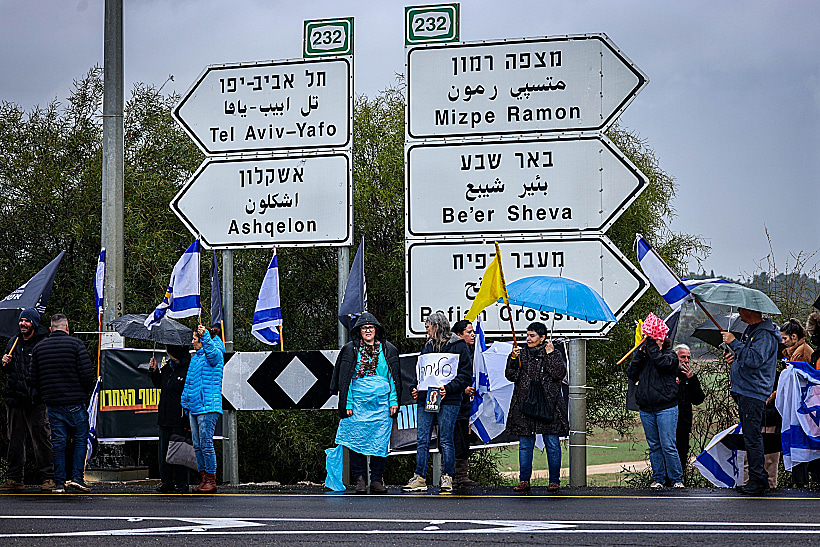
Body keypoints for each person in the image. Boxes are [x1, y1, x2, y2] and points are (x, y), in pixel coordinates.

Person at [330, 312, 401, 494]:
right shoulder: (350, 350)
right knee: (356, 440)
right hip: (357, 404)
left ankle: (376, 479)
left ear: (376, 330)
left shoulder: (389, 349)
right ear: (359, 331)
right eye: (364, 328)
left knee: (380, 441)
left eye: (371, 327)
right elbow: (346, 380)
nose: (368, 331)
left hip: (381, 405)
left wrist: (394, 401)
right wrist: (347, 403)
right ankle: (360, 479)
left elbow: (393, 378)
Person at [402, 312, 472, 493]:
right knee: (422, 438)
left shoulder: (458, 346)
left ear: (437, 326)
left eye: (428, 326)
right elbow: (421, 372)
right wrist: (415, 387)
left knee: (446, 439)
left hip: (449, 400)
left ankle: (447, 476)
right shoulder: (428, 346)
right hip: (427, 398)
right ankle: (419, 477)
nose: (426, 330)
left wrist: (448, 389)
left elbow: (465, 375)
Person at [28, 313, 95, 494]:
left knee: (58, 442)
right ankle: (77, 478)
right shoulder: (77, 345)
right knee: (80, 439)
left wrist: (44, 394)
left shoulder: (39, 348)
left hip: (52, 402)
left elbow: (33, 378)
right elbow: (87, 374)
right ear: (67, 327)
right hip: (75, 401)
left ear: (51, 329)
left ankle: (59, 483)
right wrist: (83, 393)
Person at [722, 306, 780, 495]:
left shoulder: (764, 335)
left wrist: (734, 343)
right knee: (750, 435)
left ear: (750, 311)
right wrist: (736, 358)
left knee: (752, 436)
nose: (739, 313)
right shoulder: (753, 331)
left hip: (753, 392)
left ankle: (757, 479)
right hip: (746, 390)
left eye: (741, 309)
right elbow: (750, 359)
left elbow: (755, 360)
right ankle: (758, 477)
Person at [505, 322, 569, 493]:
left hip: (549, 405)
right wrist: (513, 359)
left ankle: (554, 481)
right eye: (527, 335)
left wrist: (550, 354)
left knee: (552, 444)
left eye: (532, 336)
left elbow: (559, 374)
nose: (528, 339)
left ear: (542, 338)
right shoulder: (521, 354)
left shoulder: (553, 352)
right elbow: (511, 375)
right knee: (525, 445)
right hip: (525, 405)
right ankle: (524, 480)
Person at [0, 308, 55, 492]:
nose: (23, 324)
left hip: (35, 400)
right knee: (14, 440)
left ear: (34, 323)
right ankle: (15, 478)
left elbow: (48, 370)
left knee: (41, 439)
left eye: (27, 321)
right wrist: (5, 363)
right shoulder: (13, 341)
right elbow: (8, 370)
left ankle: (48, 477)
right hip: (15, 399)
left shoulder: (42, 342)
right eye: (21, 320)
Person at [627, 314, 683, 489]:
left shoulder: (670, 356)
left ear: (662, 340)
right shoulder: (644, 358)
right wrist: (639, 354)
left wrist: (651, 346)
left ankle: (676, 479)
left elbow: (661, 363)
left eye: (655, 340)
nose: (652, 343)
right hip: (646, 408)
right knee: (654, 446)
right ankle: (658, 479)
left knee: (668, 445)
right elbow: (631, 373)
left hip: (666, 408)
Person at [181, 324, 225, 494]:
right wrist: (185, 403)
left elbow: (212, 355)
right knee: (198, 445)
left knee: (206, 444)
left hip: (208, 407)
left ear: (203, 340)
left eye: (194, 339)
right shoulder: (196, 358)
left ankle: (211, 481)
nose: (192, 342)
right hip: (195, 407)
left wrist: (205, 335)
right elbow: (189, 383)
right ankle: (204, 479)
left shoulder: (216, 353)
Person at [149, 344, 191, 494]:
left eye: (169, 352)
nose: (168, 354)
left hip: (179, 417)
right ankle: (166, 481)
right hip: (164, 417)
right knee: (164, 452)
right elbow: (160, 384)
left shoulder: (187, 369)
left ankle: (182, 482)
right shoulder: (167, 367)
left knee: (179, 451)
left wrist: (187, 418)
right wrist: (154, 371)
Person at [451, 319, 479, 488]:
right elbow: (448, 377)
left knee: (464, 439)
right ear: (459, 335)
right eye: (469, 332)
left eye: (473, 331)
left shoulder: (475, 352)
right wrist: (463, 389)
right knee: (454, 438)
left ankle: (462, 475)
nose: (472, 335)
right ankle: (450, 474)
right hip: (455, 403)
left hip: (468, 406)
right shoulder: (454, 351)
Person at [674, 344, 705, 477]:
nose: (686, 361)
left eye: (688, 358)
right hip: (668, 423)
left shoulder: (690, 377)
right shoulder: (668, 375)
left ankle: (680, 480)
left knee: (682, 453)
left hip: (684, 424)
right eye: (683, 357)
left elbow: (698, 399)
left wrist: (692, 379)